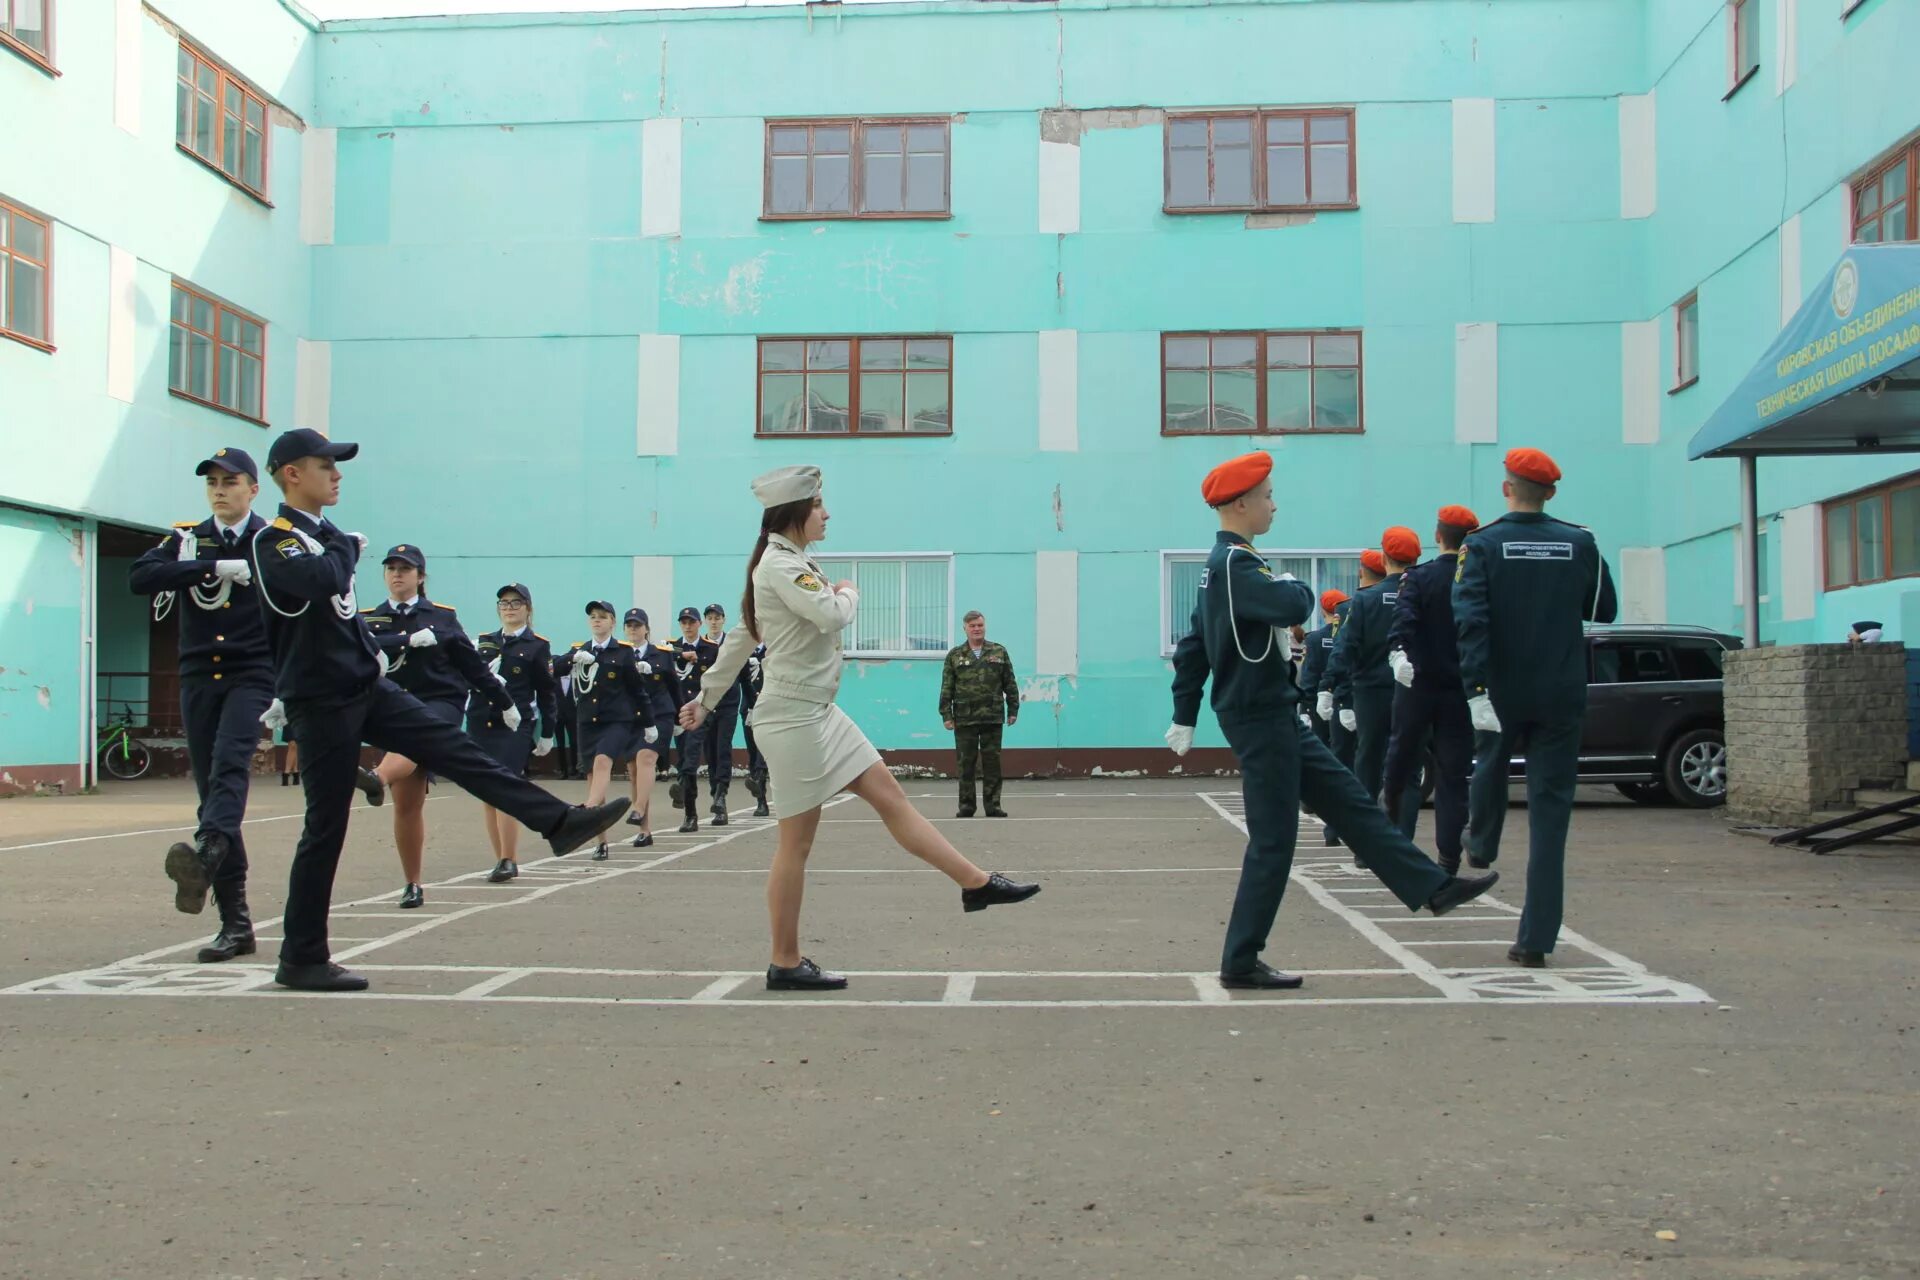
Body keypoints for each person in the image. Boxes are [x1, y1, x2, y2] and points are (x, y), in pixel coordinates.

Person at [247, 429, 628, 992]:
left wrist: (370, 651)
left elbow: (342, 610)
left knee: (459, 748)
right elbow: (319, 582)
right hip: (320, 700)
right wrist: (345, 550)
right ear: (290, 474)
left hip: (364, 686)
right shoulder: (275, 540)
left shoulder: (326, 536)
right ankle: (302, 956)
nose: (337, 474)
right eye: (325, 464)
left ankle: (558, 822)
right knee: (325, 826)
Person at [679, 465, 1039, 992]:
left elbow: (740, 636)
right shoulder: (779, 566)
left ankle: (975, 883)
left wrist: (706, 698)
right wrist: (850, 590)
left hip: (821, 711)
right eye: (820, 505)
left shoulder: (792, 562)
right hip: (792, 718)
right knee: (795, 847)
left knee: (892, 798)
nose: (827, 514)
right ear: (796, 512)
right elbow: (828, 615)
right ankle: (784, 960)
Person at [1164, 451, 1498, 991]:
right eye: (1268, 496)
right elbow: (1293, 606)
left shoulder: (1223, 565)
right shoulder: (1236, 566)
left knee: (1349, 801)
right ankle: (1241, 959)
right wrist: (1295, 587)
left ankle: (1431, 887)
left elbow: (1194, 646)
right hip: (1260, 715)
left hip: (1270, 711)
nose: (1274, 504)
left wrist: (1186, 712)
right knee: (1274, 839)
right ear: (1242, 503)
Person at [1455, 447, 1618, 969]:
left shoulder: (1481, 545)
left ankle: (1480, 842)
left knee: (1489, 766)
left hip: (1502, 687)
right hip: (1560, 691)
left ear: (1506, 489)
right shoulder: (1580, 542)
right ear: (1550, 493)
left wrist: (1474, 686)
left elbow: (1470, 621)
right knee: (1551, 816)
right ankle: (1536, 940)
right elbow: (1604, 611)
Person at [130, 447, 284, 963]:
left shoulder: (272, 540)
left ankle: (208, 850)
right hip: (199, 676)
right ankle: (235, 922)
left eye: (230, 481)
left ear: (253, 489)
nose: (220, 490)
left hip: (253, 673)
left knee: (229, 764)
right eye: (212, 482)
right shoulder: (186, 540)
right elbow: (140, 578)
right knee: (212, 790)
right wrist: (209, 565)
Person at [363, 544, 518, 908]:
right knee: (408, 803)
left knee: (414, 742)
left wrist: (504, 700)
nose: (397, 574)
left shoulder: (443, 617)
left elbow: (472, 666)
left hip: (439, 703)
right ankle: (412, 883)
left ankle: (377, 778)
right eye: (391, 568)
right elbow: (358, 647)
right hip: (392, 705)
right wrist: (403, 640)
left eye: (405, 568)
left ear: (420, 577)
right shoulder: (371, 619)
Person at [1380, 505, 1479, 873]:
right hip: (1460, 691)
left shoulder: (1419, 578)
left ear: (1438, 536)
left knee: (1401, 764)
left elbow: (1403, 620)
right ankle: (1448, 860)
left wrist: (1398, 653)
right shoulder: (1474, 578)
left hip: (1417, 686)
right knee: (1454, 777)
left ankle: (1388, 822)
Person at [1327, 528, 1423, 830]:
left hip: (1370, 694)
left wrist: (1331, 687)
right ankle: (1403, 841)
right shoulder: (1424, 594)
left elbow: (1345, 648)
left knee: (1367, 765)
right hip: (1414, 692)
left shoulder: (1366, 600)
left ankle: (1368, 845)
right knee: (1408, 769)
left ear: (1384, 558)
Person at [472, 583, 558, 883]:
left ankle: (509, 858)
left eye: (516, 602)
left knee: (505, 785)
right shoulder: (484, 642)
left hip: (514, 725)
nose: (509, 608)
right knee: (487, 793)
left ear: (528, 608)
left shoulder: (537, 646)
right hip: (482, 722)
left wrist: (547, 732)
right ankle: (499, 858)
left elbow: (547, 693)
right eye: (504, 603)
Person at [567, 600, 650, 860]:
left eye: (602, 616)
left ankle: (588, 807)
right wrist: (572, 658)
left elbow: (638, 691)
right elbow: (554, 670)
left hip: (617, 722)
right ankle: (601, 841)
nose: (597, 620)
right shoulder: (580, 650)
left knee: (603, 761)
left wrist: (649, 724)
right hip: (587, 722)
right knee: (592, 776)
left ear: (612, 622)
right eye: (592, 616)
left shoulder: (623, 652)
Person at [939, 611, 1021, 818]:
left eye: (980, 625)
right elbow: (947, 687)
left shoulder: (999, 651)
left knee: (992, 763)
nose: (977, 629)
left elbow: (1009, 683)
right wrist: (946, 715)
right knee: (966, 764)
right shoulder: (955, 655)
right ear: (965, 628)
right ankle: (966, 806)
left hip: (992, 717)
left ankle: (993, 805)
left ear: (985, 626)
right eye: (972, 625)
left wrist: (1013, 709)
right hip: (965, 718)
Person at [620, 607, 682, 848]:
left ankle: (637, 807)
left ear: (646, 629)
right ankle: (644, 830)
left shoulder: (662, 654)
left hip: (660, 715)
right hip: (631, 718)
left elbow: (674, 687)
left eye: (637, 625)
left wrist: (680, 719)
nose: (633, 629)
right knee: (634, 771)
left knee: (646, 758)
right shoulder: (620, 654)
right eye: (629, 626)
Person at [698, 603, 749, 827]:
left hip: (728, 702)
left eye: (717, 617)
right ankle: (714, 794)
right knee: (710, 752)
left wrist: (753, 706)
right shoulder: (700, 646)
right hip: (707, 705)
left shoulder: (732, 643)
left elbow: (745, 675)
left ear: (723, 619)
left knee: (723, 748)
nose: (714, 621)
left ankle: (721, 797)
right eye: (710, 617)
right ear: (705, 621)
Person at [669, 606, 716, 832]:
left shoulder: (710, 648)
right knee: (682, 760)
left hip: (699, 712)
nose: (687, 626)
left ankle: (691, 813)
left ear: (699, 624)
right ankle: (688, 808)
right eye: (683, 622)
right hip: (680, 714)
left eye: (691, 622)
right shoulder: (672, 648)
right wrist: (681, 655)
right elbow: (662, 656)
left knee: (690, 760)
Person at [740, 640, 771, 818]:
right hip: (748, 709)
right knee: (753, 751)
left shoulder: (775, 647)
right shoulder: (744, 649)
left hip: (769, 708)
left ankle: (759, 781)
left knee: (762, 749)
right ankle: (761, 801)